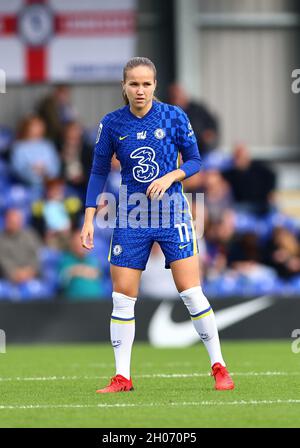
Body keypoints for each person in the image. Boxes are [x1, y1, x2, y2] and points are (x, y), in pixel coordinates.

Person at [81, 57, 234, 393]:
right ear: (124, 86)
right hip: (131, 217)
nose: (140, 90)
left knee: (192, 293)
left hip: (172, 214)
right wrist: (90, 218)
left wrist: (171, 176)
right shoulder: (112, 124)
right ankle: (122, 377)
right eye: (134, 83)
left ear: (155, 85)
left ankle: (219, 366)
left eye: (146, 83)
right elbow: (97, 172)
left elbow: (195, 160)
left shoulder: (174, 116)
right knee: (122, 299)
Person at [168, 83, 219, 156]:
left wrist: (209, 134)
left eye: (178, 96)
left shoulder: (197, 109)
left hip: (201, 149)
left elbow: (212, 124)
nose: (176, 100)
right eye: (174, 97)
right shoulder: (168, 112)